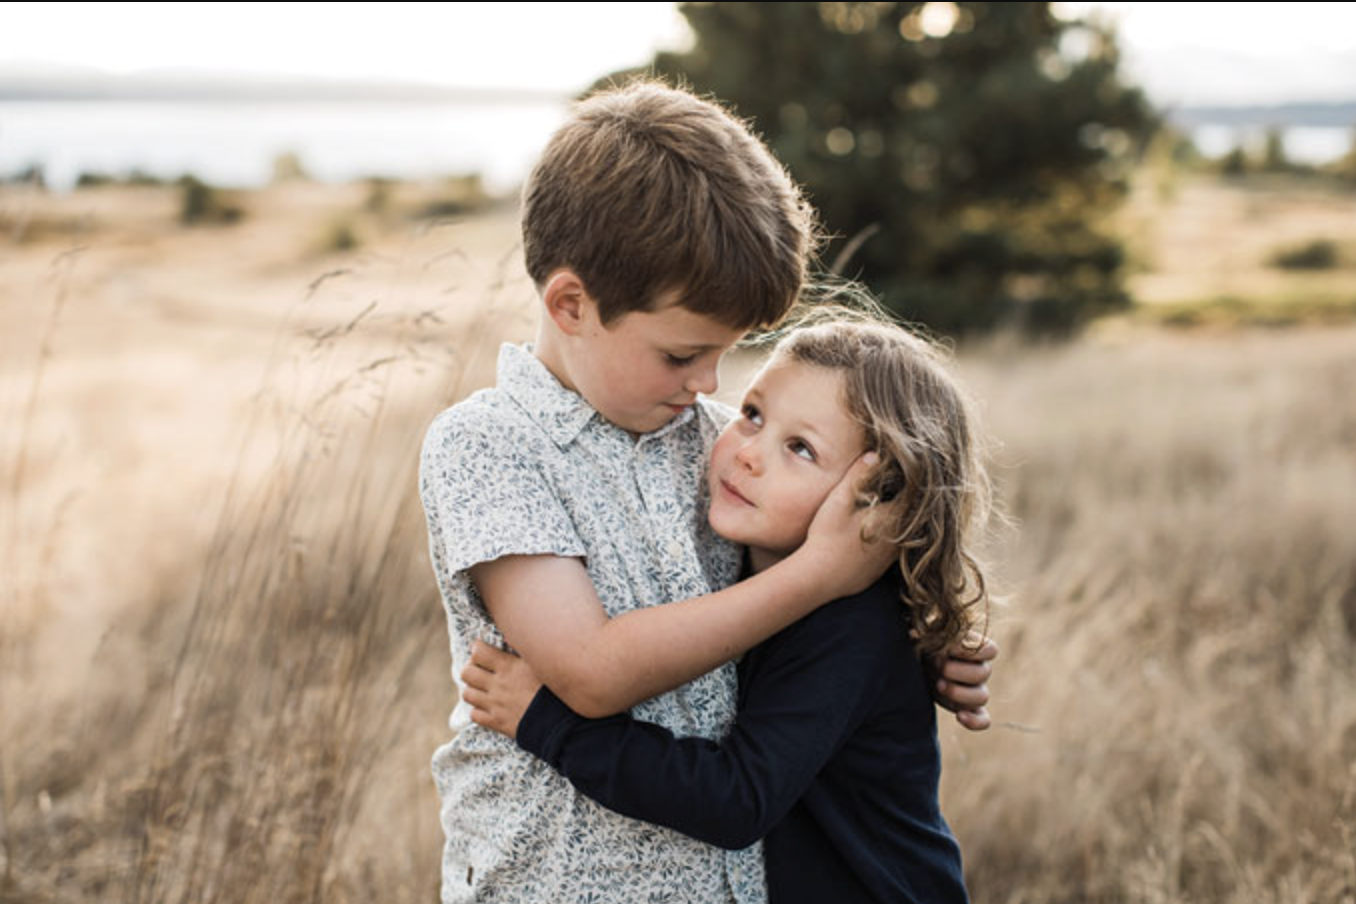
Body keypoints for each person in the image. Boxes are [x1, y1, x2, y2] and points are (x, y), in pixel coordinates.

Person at [419, 80, 995, 904]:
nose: (710, 384)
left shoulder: (722, 438)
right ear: (572, 305)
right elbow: (588, 671)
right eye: (682, 353)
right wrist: (820, 577)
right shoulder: (489, 447)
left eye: (729, 356)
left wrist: (924, 646)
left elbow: (859, 555)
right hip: (554, 881)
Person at [462, 319, 990, 903]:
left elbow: (735, 799)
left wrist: (548, 724)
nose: (748, 454)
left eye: (800, 449)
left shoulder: (853, 628)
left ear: (877, 503)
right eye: (753, 414)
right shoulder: (736, 571)